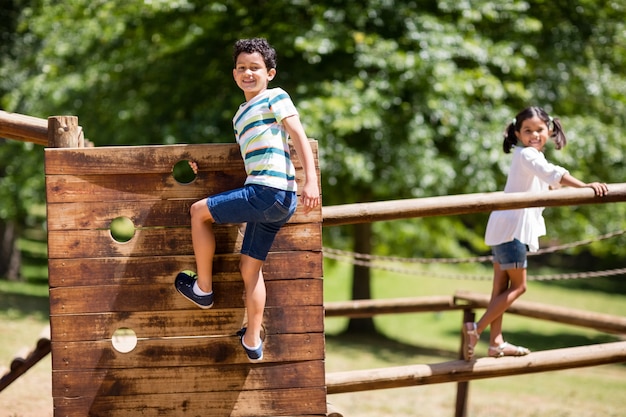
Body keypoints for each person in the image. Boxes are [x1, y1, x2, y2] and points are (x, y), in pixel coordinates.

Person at [175, 38, 321, 362]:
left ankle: (203, 289)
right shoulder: (240, 116)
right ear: (234, 73)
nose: (247, 73)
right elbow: (245, 156)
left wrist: (310, 181)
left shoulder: (275, 97)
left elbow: (296, 134)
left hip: (270, 191)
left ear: (270, 73)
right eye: (242, 68)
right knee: (249, 268)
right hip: (274, 201)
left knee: (198, 212)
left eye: (255, 68)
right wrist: (206, 166)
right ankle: (253, 340)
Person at [462, 106, 608, 361]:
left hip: (503, 225)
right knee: (520, 286)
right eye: (527, 130)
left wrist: (570, 189)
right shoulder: (528, 154)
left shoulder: (527, 157)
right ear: (518, 133)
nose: (534, 135)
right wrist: (586, 186)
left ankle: (496, 343)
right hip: (513, 229)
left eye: (539, 130)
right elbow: (553, 173)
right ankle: (476, 329)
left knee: (500, 288)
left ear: (549, 131)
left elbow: (550, 184)